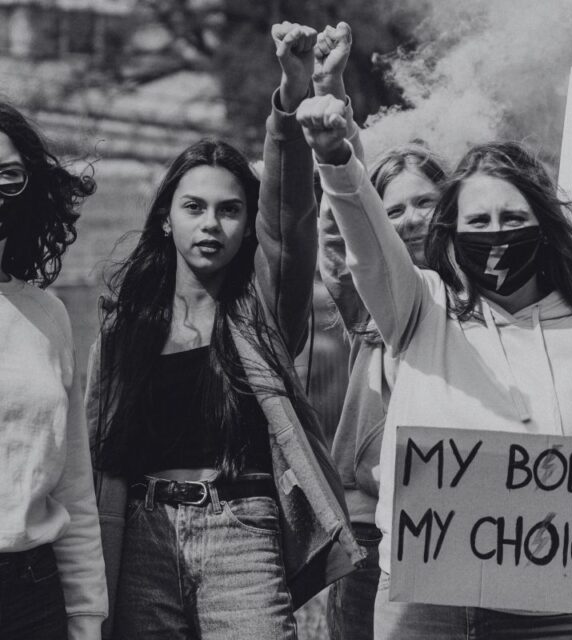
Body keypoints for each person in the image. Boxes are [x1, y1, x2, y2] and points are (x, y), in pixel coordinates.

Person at [305, 88, 572, 639]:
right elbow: (368, 248)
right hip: (424, 606)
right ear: (453, 234)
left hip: (551, 614)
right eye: (479, 220)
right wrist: (336, 159)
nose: (496, 233)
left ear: (543, 227)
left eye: (512, 217)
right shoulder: (420, 306)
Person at [85, 23, 364, 639]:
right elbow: (97, 453)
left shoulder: (260, 308)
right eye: (194, 207)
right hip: (142, 540)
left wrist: (290, 96)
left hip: (243, 536)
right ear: (166, 219)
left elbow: (288, 215)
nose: (211, 224)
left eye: (229, 210)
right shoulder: (124, 323)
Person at [309, 21, 449, 640]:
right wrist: (330, 97)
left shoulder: (482, 302)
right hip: (370, 523)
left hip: (454, 518)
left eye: (425, 203)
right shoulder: (369, 303)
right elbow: (344, 224)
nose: (411, 220)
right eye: (393, 210)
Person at [0, 102, 106, 640]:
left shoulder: (49, 315)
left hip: (33, 595)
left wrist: (86, 615)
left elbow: (73, 487)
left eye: (9, 175)